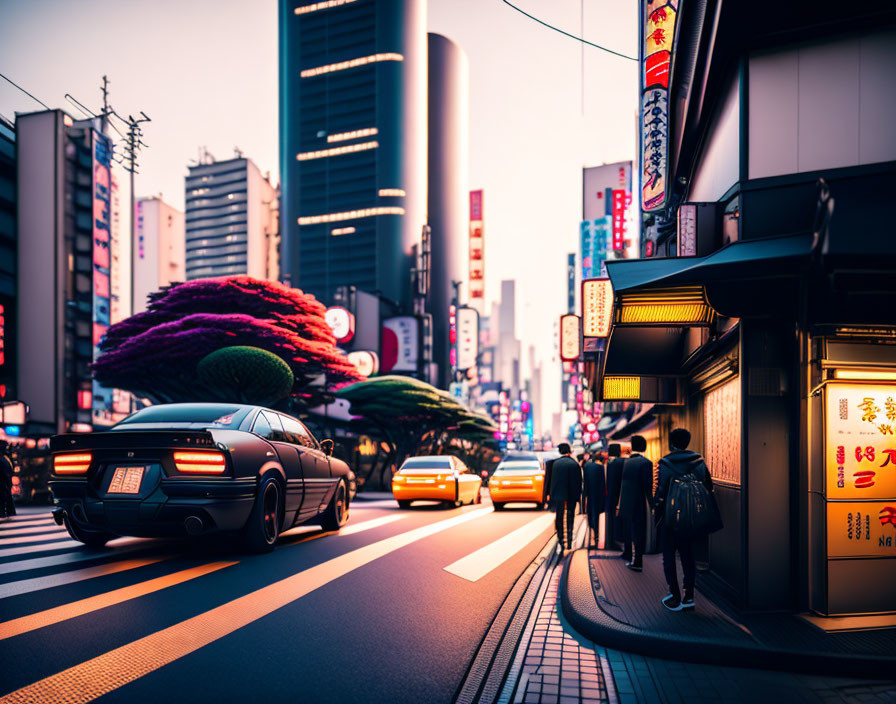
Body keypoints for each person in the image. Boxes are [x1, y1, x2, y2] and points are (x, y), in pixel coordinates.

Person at [654, 427, 714, 612]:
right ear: (687, 442)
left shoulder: (665, 463)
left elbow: (661, 492)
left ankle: (674, 595)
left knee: (669, 557)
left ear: (671, 444)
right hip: (691, 518)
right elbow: (708, 486)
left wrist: (657, 512)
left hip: (670, 519)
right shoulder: (699, 461)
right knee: (689, 556)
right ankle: (689, 597)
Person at [617, 435, 652, 571]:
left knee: (629, 531)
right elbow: (647, 487)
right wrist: (652, 504)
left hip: (626, 502)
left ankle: (628, 555)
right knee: (639, 533)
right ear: (644, 447)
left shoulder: (626, 463)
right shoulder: (645, 463)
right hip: (639, 502)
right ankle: (638, 561)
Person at [546, 443, 582, 552]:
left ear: (560, 451)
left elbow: (550, 481)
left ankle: (560, 540)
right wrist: (578, 496)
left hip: (558, 494)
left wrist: (550, 496)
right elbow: (578, 482)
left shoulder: (555, 464)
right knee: (570, 516)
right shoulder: (574, 464)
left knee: (559, 516)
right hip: (572, 494)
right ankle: (570, 541)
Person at [581, 452, 605, 549]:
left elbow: (585, 483)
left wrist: (584, 498)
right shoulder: (601, 468)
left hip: (590, 495)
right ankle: (596, 537)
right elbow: (603, 484)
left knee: (590, 515)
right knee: (597, 516)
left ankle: (591, 538)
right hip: (599, 495)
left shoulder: (587, 466)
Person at [604, 444, 624, 550]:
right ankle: (617, 542)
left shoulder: (610, 464)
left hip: (611, 497)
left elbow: (609, 482)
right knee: (618, 522)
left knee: (610, 522)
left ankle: (611, 543)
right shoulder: (622, 462)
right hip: (619, 496)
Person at [0, 441, 16, 520]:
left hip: (4, 483)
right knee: (4, 498)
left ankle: (5, 513)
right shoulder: (3, 459)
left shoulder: (4, 458)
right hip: (3, 483)